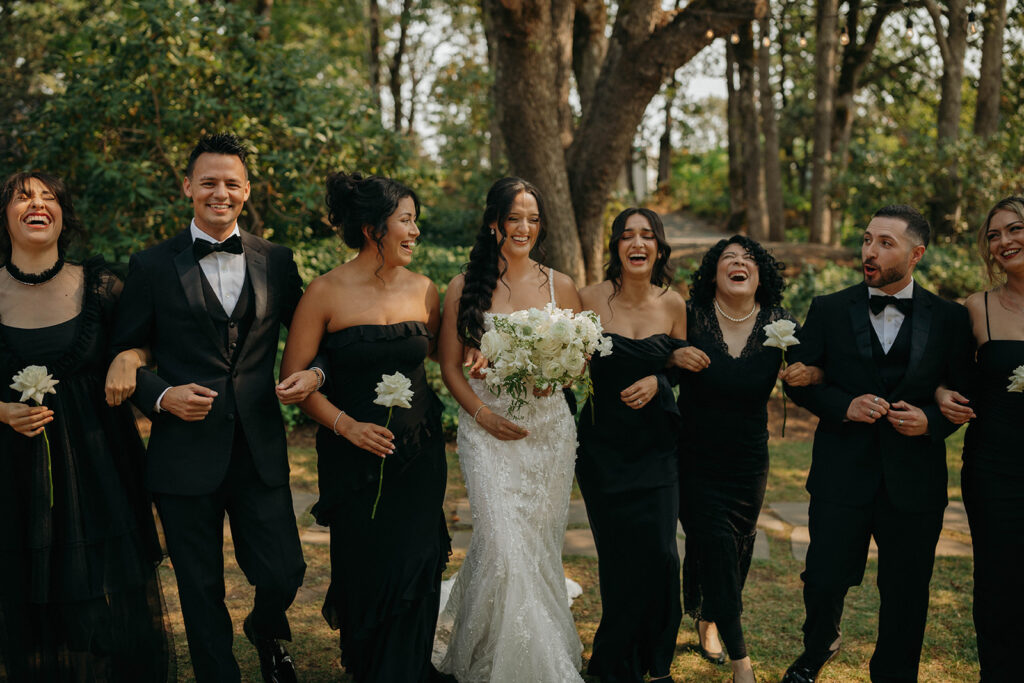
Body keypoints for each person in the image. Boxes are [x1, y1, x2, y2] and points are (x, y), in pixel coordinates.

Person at [110, 134, 321, 683]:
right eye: (208, 182)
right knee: (199, 587)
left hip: (259, 448)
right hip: (183, 455)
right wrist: (161, 396)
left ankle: (267, 630)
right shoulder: (151, 265)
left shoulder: (277, 260)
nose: (219, 192)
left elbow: (314, 334)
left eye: (231, 183)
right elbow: (123, 355)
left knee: (285, 570)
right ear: (188, 187)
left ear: (247, 191)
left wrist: (315, 373)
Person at [781, 205, 973, 683]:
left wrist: (929, 421)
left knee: (907, 589)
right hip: (841, 473)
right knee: (823, 579)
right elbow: (797, 380)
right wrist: (842, 405)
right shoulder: (828, 308)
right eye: (868, 240)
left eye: (885, 243)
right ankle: (818, 646)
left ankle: (895, 672)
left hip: (915, 481)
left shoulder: (949, 317)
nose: (870, 251)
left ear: (916, 254)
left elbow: (961, 393)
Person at [0, 172, 172, 680]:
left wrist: (131, 356)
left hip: (99, 467)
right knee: (24, 595)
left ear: (62, 214)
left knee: (105, 596)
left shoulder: (102, 284)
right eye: (22, 196)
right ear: (5, 216)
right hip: (12, 476)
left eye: (48, 196)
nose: (37, 204)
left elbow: (152, 341)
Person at [279, 172, 450, 682]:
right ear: (375, 229)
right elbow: (294, 381)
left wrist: (482, 357)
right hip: (352, 455)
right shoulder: (325, 292)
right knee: (366, 560)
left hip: (419, 450)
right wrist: (347, 426)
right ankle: (371, 666)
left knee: (418, 556)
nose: (415, 231)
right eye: (407, 220)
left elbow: (442, 357)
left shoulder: (425, 291)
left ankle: (411, 666)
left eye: (415, 221)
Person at [434, 177, 585, 682]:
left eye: (533, 219)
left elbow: (580, 361)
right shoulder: (463, 286)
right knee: (500, 544)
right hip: (485, 430)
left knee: (538, 546)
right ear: (495, 223)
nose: (524, 227)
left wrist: (559, 375)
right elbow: (451, 368)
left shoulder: (560, 285)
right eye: (515, 217)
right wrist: (482, 413)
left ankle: (526, 655)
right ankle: (492, 655)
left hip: (548, 433)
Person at [669, 235, 820, 683]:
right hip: (693, 455)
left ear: (760, 275)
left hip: (749, 459)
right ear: (713, 274)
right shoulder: (690, 316)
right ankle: (742, 663)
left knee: (734, 546)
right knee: (713, 541)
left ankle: (708, 616)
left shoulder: (781, 324)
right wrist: (674, 356)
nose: (738, 264)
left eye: (748, 259)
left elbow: (812, 372)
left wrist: (812, 371)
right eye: (728, 259)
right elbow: (661, 366)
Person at [576, 208, 687, 683]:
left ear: (659, 247)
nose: (637, 243)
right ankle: (614, 663)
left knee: (662, 554)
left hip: (658, 450)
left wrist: (659, 379)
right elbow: (571, 366)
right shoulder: (588, 299)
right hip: (603, 451)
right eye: (627, 236)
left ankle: (656, 660)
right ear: (616, 247)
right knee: (619, 560)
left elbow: (685, 368)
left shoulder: (674, 304)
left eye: (646, 235)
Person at [935, 196, 1024, 682]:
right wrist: (944, 393)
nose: (1004, 241)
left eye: (1015, 229)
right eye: (994, 235)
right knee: (999, 585)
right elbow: (948, 377)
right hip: (996, 469)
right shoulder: (977, 308)